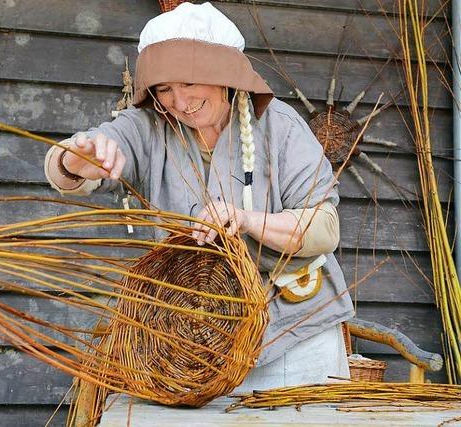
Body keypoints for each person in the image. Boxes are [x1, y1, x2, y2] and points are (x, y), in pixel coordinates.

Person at [44, 2, 353, 392]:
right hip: (195, 347)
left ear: (222, 74)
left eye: (188, 83)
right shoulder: (149, 128)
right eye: (165, 89)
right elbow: (67, 163)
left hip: (293, 337)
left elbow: (324, 229)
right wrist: (78, 159)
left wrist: (246, 219)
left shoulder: (280, 126)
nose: (180, 102)